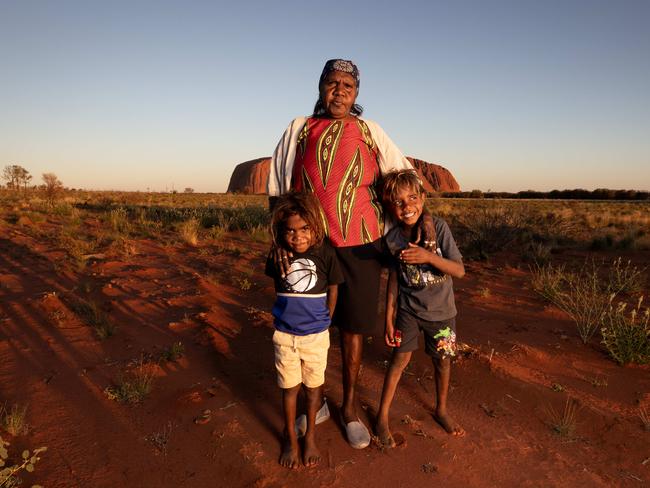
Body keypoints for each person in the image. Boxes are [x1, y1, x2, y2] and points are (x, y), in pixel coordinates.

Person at [268, 58, 431, 450]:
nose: (339, 91)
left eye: (348, 86)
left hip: (362, 244)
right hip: (313, 246)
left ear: (356, 94)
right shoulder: (299, 128)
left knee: (354, 329)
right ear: (320, 87)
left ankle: (351, 408)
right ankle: (318, 402)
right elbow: (277, 188)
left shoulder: (369, 130)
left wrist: (421, 220)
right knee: (311, 326)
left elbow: (401, 172)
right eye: (332, 83)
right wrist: (277, 240)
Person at [375, 169, 466, 447]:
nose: (406, 207)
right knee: (399, 361)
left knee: (442, 362)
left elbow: (459, 271)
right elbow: (393, 280)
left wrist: (428, 256)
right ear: (391, 206)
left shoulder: (438, 228)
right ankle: (382, 417)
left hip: (442, 314)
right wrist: (389, 317)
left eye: (412, 198)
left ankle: (440, 410)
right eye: (398, 202)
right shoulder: (392, 240)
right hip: (409, 312)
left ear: (423, 198)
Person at [265, 191, 344, 468]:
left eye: (304, 229)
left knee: (313, 389)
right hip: (285, 336)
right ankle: (290, 437)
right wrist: (276, 246)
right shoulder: (278, 256)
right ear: (281, 233)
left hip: (316, 336)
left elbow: (333, 287)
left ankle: (310, 436)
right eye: (290, 231)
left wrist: (328, 318)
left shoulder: (325, 254)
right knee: (289, 388)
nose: (297, 236)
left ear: (315, 227)